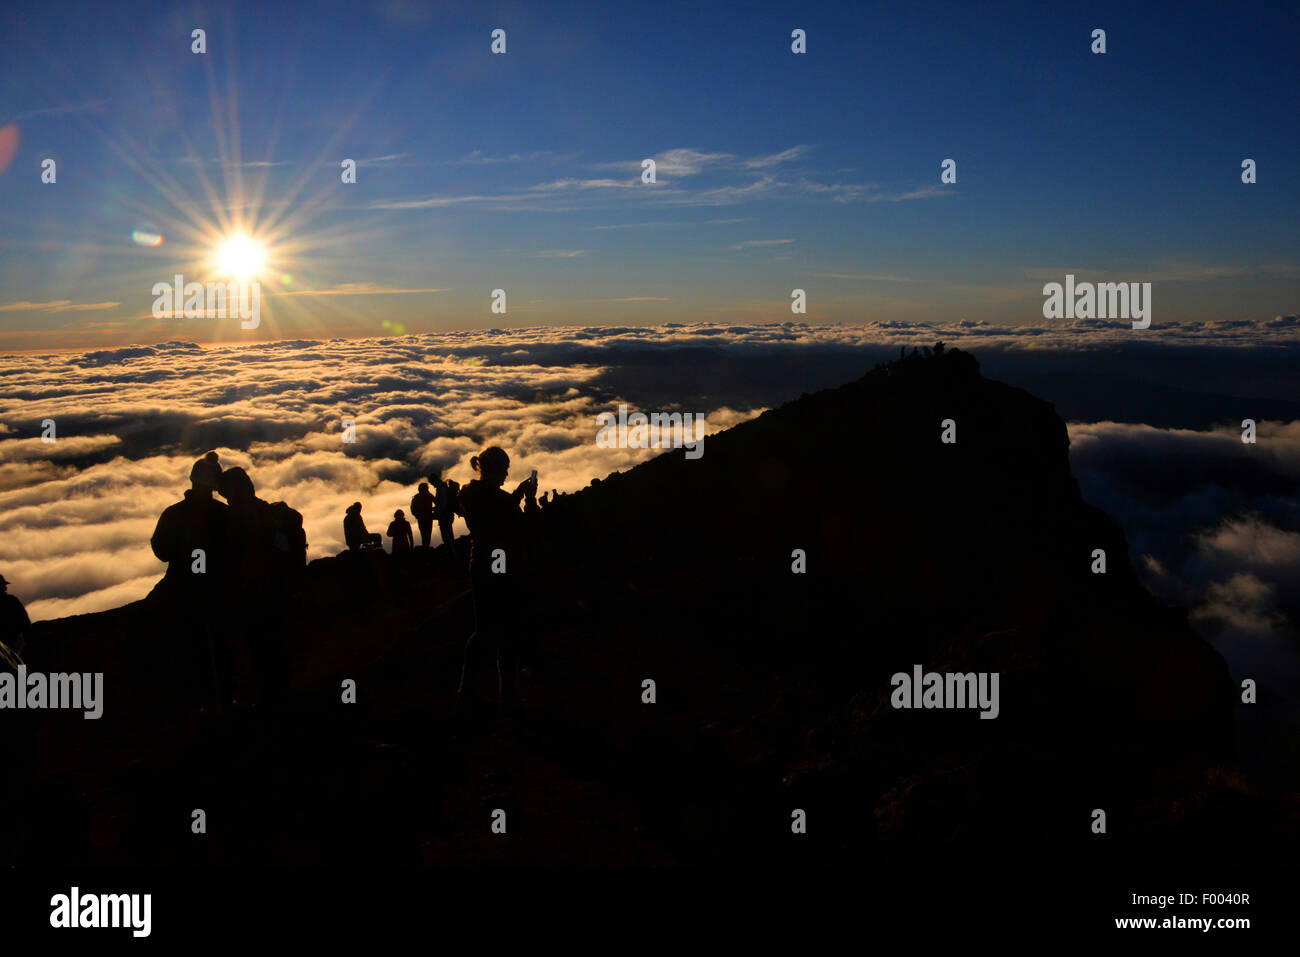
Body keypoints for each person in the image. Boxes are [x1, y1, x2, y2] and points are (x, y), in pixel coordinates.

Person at [455, 447, 538, 715]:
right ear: (495, 468)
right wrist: (530, 501)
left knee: (483, 631)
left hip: (480, 565)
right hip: (503, 568)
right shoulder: (498, 500)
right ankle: (509, 696)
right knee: (509, 631)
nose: (507, 473)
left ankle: (468, 692)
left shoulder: (470, 494)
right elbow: (522, 528)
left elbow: (492, 515)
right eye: (504, 468)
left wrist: (513, 497)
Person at [149, 451, 232, 711]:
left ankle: (191, 702)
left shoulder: (173, 513)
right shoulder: (224, 514)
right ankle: (222, 700)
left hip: (181, 586)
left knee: (185, 643)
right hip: (218, 588)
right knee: (218, 646)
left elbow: (161, 550)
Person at [218, 466, 300, 711]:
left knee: (258, 648)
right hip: (273, 589)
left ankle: (268, 702)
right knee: (272, 647)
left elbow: (235, 555)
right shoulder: (266, 510)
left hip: (254, 592)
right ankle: (279, 697)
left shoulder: (240, 517)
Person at [0, 574, 30, 660]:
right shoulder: (12, 600)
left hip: (12, 642)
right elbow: (25, 622)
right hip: (14, 642)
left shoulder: (12, 601)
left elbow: (24, 621)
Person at [432, 474, 460, 562]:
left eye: (432, 483)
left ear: (435, 480)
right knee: (449, 535)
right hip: (448, 514)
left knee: (446, 536)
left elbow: (443, 503)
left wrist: (439, 510)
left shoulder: (441, 488)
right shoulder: (444, 487)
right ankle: (453, 555)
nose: (433, 485)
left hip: (445, 515)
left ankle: (452, 556)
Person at [410, 483, 436, 548]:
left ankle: (425, 546)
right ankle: (426, 546)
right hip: (427, 517)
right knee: (427, 533)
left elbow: (412, 508)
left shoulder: (417, 497)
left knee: (424, 533)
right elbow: (437, 502)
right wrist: (433, 510)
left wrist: (417, 515)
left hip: (422, 517)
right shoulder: (429, 495)